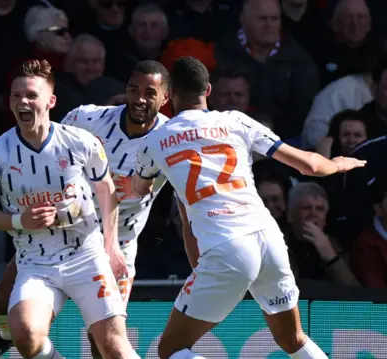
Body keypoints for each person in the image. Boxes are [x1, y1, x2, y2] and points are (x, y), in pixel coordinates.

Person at [130, 57, 365, 359]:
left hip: (227, 247)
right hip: (268, 239)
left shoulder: (155, 141)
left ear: (169, 93)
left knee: (171, 349)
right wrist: (336, 164)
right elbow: (308, 164)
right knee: (293, 339)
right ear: (209, 90)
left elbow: (139, 190)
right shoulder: (237, 121)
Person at [0, 60, 171, 359]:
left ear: (165, 98)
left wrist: (113, 246)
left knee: (104, 344)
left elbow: (190, 190)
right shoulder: (85, 121)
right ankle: (6, 337)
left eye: (150, 92)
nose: (140, 98)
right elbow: (47, 142)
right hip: (45, 238)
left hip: (113, 240)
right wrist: (23, 216)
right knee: (5, 306)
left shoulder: (171, 141)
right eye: (134, 89)